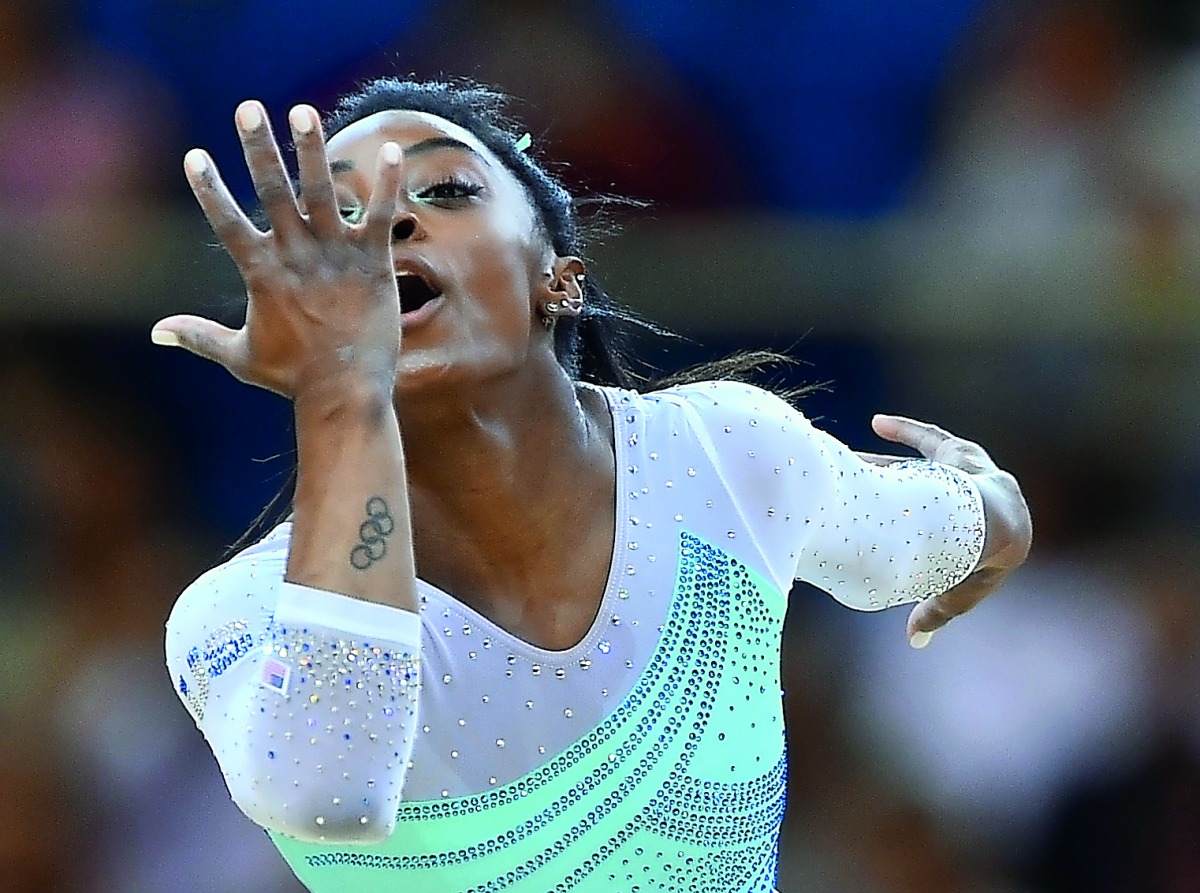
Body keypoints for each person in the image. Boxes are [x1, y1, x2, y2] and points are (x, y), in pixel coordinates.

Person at [155, 78, 1031, 892]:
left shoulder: (725, 457)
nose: (385, 222)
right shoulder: (237, 614)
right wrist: (344, 394)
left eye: (445, 190)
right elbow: (330, 791)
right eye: (339, 215)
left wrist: (995, 515)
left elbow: (958, 526)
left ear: (558, 280)